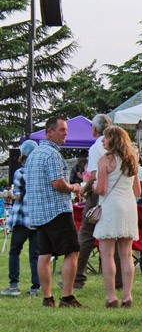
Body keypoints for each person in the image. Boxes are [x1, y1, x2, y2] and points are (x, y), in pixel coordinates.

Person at [25, 117, 83, 308]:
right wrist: (74, 187)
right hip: (56, 210)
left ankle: (47, 298)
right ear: (50, 132)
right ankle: (67, 297)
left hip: (38, 212)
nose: (66, 133)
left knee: (45, 254)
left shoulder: (33, 154)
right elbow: (57, 183)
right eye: (62, 130)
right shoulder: (52, 155)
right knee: (72, 251)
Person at [92, 126, 141, 308]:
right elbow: (138, 190)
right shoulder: (132, 160)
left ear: (113, 140)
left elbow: (101, 189)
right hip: (129, 206)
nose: (103, 141)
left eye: (106, 138)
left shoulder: (105, 161)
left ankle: (111, 296)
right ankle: (127, 295)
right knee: (126, 254)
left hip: (110, 207)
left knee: (107, 254)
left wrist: (93, 185)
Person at [74, 113, 113, 290]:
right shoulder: (119, 144)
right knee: (116, 235)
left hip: (98, 193)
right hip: (117, 195)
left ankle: (77, 277)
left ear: (95, 129)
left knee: (86, 234)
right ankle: (119, 280)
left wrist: (84, 190)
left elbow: (94, 176)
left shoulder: (97, 146)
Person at [1, 140, 40, 297]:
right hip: (37, 218)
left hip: (22, 218)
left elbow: (17, 196)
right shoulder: (40, 173)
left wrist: (9, 194)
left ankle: (14, 286)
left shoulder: (20, 172)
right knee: (35, 255)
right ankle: (35, 287)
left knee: (15, 251)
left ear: (23, 154)